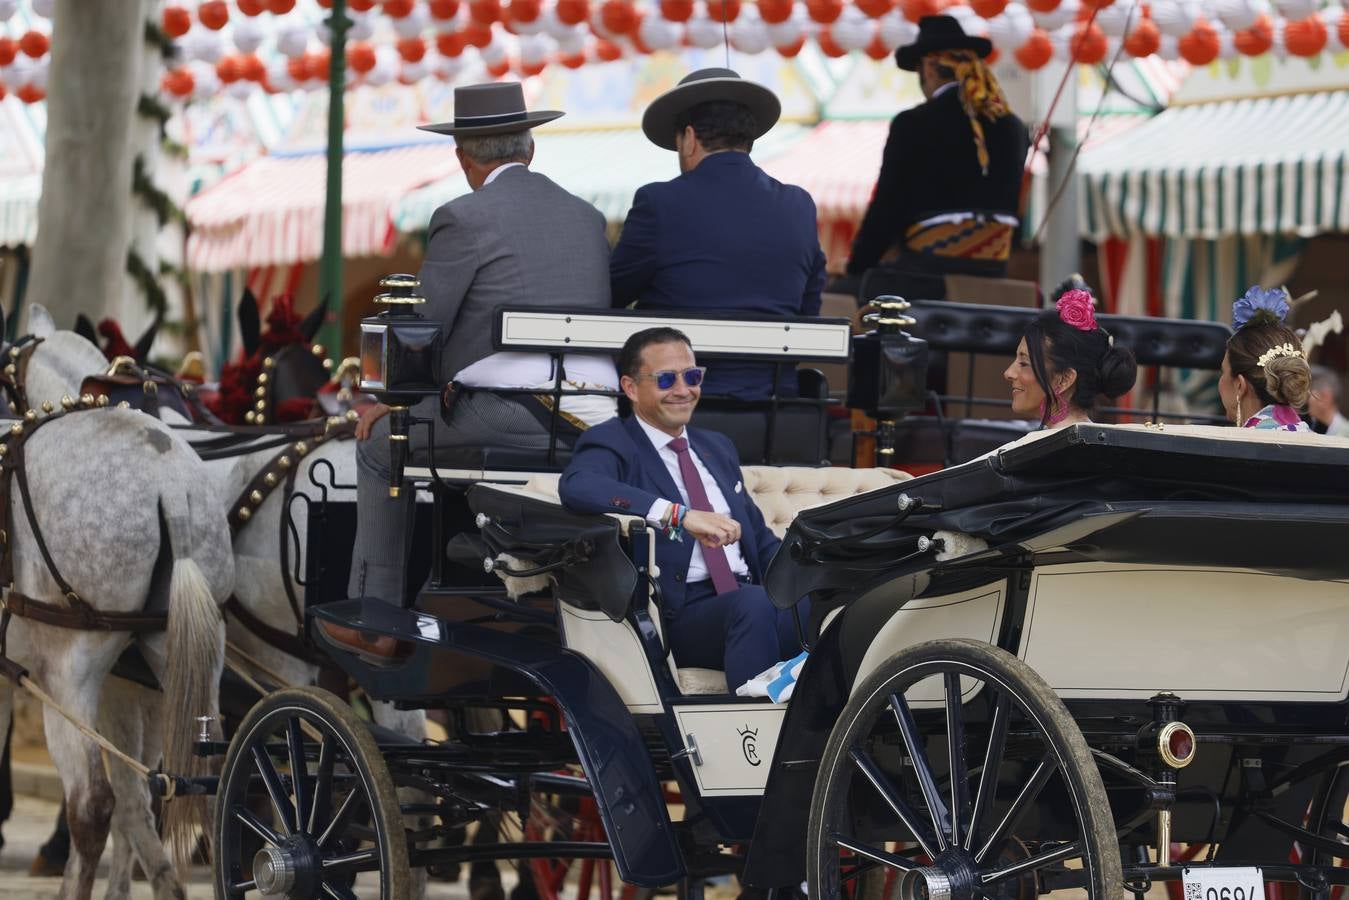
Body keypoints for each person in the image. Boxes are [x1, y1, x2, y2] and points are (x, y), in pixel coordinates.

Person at [350, 81, 615, 607]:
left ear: (461, 156)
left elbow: (424, 326)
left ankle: (371, 607)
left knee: (377, 447)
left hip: (514, 414)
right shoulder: (587, 217)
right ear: (531, 148)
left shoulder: (463, 217)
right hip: (600, 415)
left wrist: (385, 401)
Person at [558, 328, 806, 691]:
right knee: (753, 605)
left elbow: (759, 540)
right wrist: (678, 515)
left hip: (746, 597)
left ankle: (834, 734)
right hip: (682, 613)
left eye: (692, 376)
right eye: (665, 379)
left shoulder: (716, 446)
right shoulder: (613, 440)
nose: (683, 390)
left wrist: (819, 574)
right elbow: (578, 485)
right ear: (630, 387)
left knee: (824, 609)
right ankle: (750, 736)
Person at [610, 69, 827, 400]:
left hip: (674, 403)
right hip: (774, 404)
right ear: (748, 140)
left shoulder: (659, 201)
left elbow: (612, 292)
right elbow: (809, 310)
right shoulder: (799, 204)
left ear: (690, 138)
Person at [844, 15, 1030, 302]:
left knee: (839, 296)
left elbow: (887, 206)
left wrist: (857, 266)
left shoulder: (913, 123)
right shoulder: (1013, 126)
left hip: (928, 276)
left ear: (929, 67)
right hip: (993, 272)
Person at [1003, 289, 1137, 429]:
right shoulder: (1080, 441)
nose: (1008, 373)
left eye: (1024, 363)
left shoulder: (1063, 448)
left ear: (1064, 379)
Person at [1218, 286, 1312, 431]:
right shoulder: (1314, 440)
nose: (1220, 381)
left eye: (1223, 372)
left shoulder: (1238, 449)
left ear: (1239, 386)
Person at [1308, 364, 1349, 436]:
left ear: (1326, 397)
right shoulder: (1316, 427)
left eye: (1309, 393)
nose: (1306, 399)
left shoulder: (1345, 436)